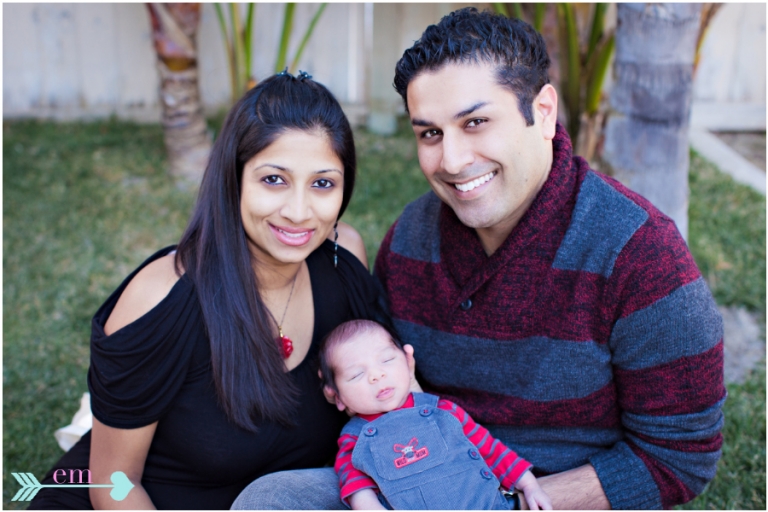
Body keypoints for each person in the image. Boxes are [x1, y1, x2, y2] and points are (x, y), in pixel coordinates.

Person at [373, 7, 725, 510]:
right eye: (430, 133)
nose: (451, 160)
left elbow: (679, 456)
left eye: (476, 122)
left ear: (542, 111)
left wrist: (504, 505)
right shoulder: (410, 238)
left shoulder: (641, 255)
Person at [28, 71, 393, 510]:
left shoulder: (342, 258)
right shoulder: (162, 298)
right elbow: (113, 483)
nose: (299, 212)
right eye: (273, 179)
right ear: (233, 179)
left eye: (322, 183)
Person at [319, 319, 552, 510]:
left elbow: (489, 449)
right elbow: (356, 485)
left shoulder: (443, 411)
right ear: (337, 397)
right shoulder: (355, 439)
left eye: (387, 360)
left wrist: (530, 486)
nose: (376, 375)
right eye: (357, 375)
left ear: (407, 362)